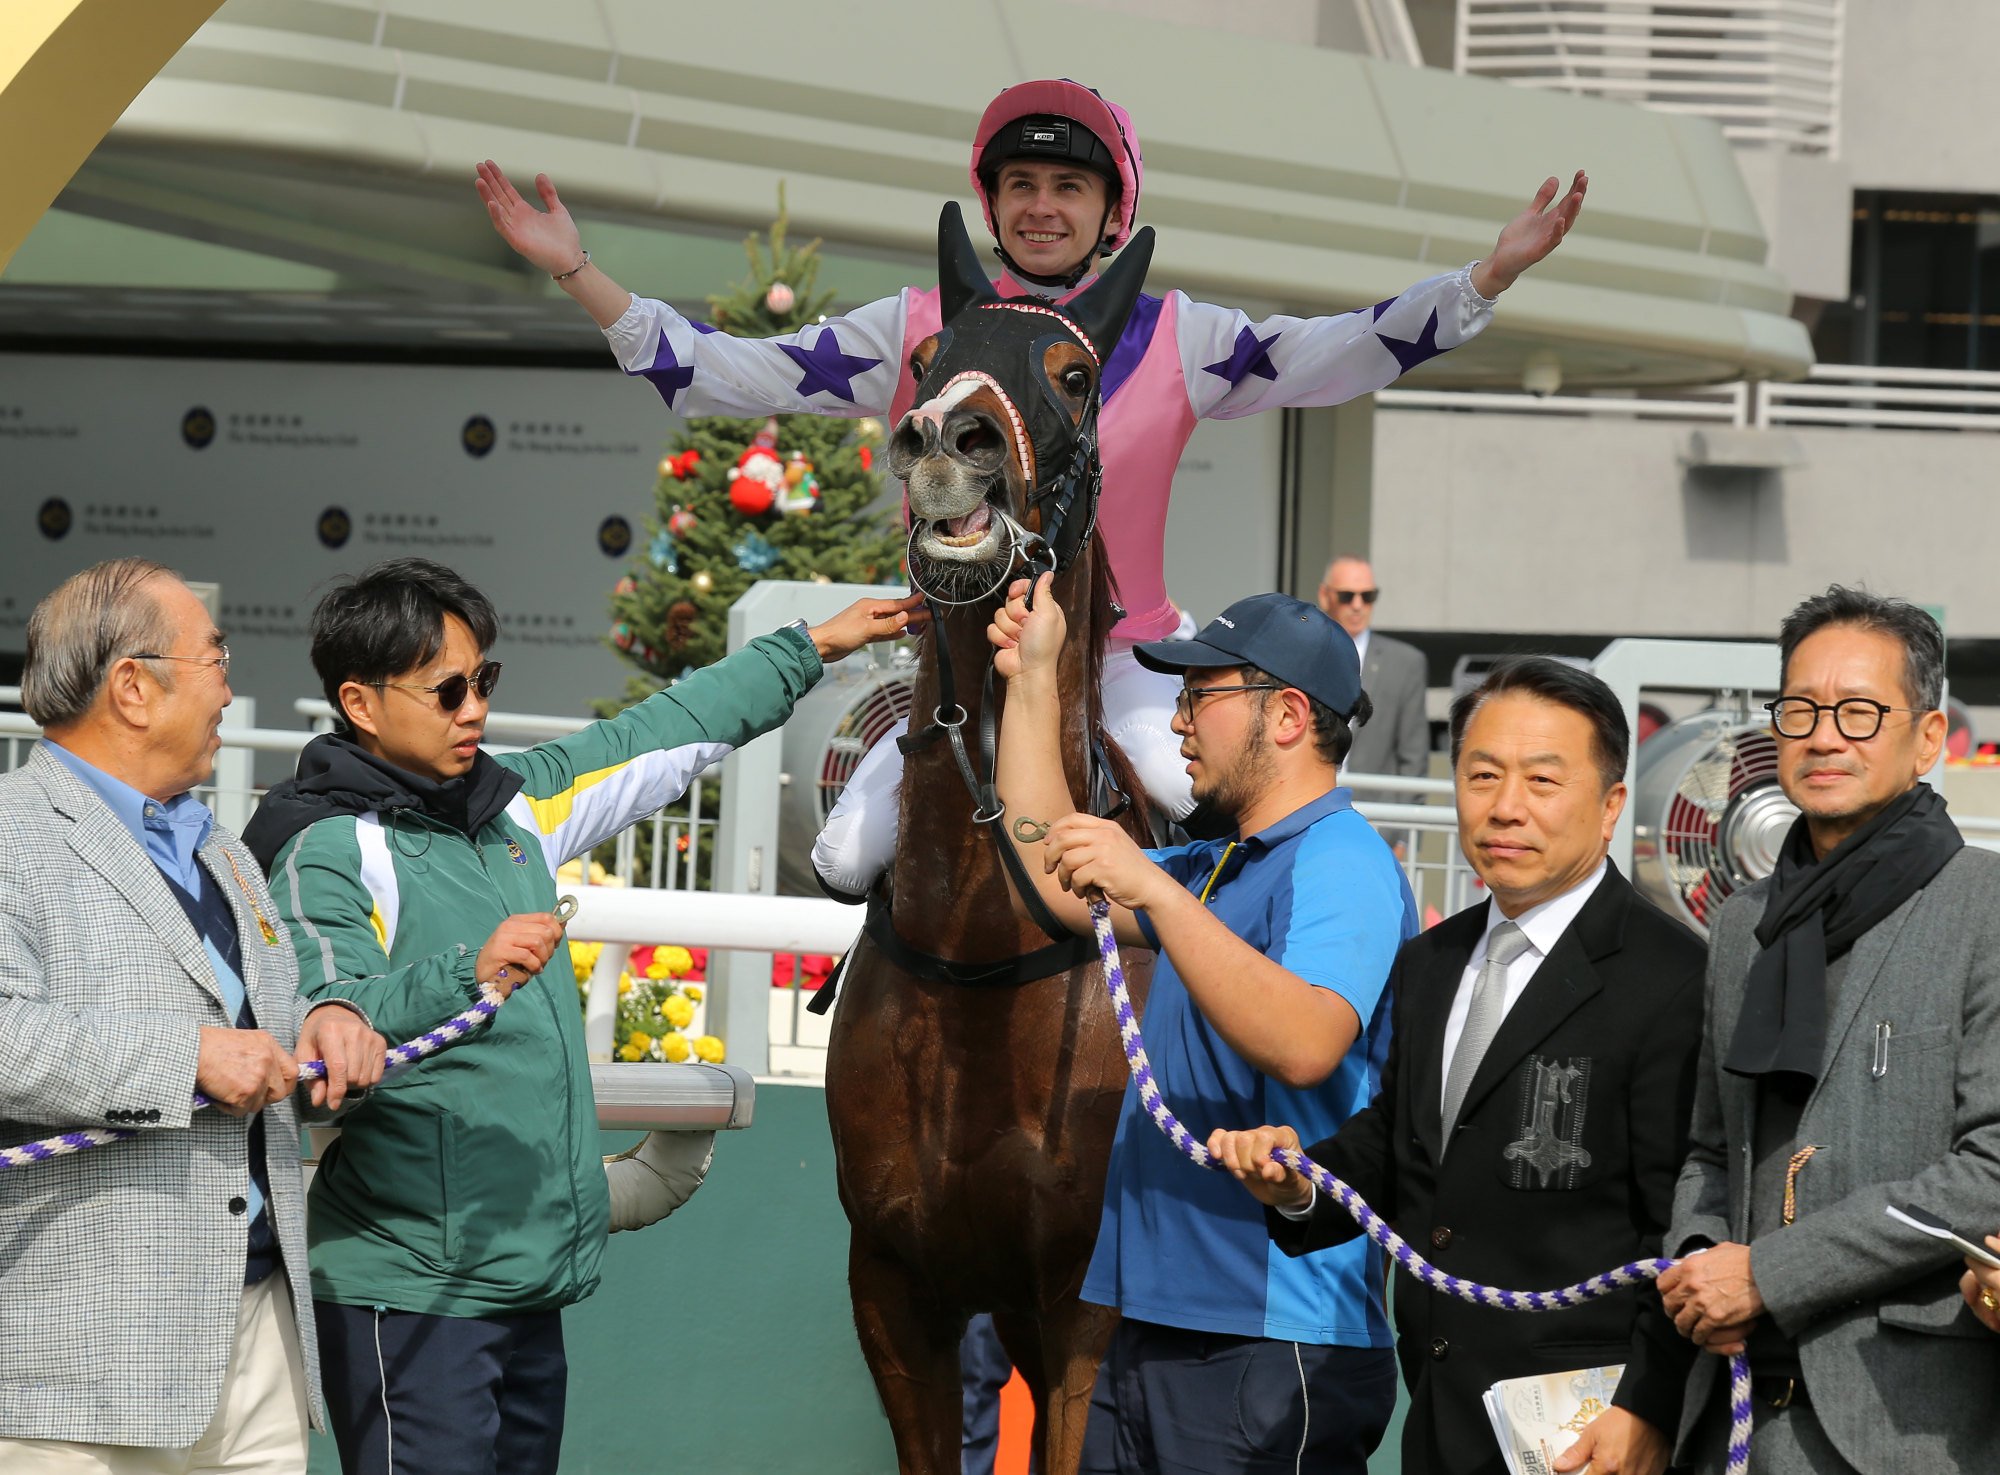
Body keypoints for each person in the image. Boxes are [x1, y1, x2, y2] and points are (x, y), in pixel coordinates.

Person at [477, 77, 1587, 900]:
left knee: (1204, 810)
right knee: (847, 852)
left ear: (1114, 207)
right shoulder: (917, 327)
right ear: (988, 198)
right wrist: (579, 271)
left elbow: (1344, 351)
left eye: (1068, 185)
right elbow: (724, 371)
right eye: (1020, 185)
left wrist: (1483, 279)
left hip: (1129, 661)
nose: (1041, 206)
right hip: (963, 659)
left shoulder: (1178, 332)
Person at [241, 557, 920, 1475]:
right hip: (410, 1289)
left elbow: (665, 730)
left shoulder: (510, 803)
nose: (473, 708)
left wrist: (819, 645)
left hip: (526, 1282)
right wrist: (461, 973)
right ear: (359, 703)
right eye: (447, 689)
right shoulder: (323, 845)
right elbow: (330, 1013)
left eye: (485, 680)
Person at [1210, 657, 1705, 1475]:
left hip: (1587, 1429)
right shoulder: (1433, 959)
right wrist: (1303, 1184)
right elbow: (1403, 1143)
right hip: (1440, 1413)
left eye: (1543, 780)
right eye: (1482, 775)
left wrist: (1649, 1404)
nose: (1506, 806)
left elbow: (1685, 1219)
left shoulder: (1671, 979)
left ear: (1611, 804)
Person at [987, 576, 1411, 1474]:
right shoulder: (1216, 865)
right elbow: (1046, 867)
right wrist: (1031, 681)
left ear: (1288, 714)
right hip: (1158, 1323)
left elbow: (1307, 1040)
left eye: (1199, 695)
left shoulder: (1342, 856)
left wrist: (1154, 891)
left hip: (1274, 1338)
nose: (1178, 720)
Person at [0, 559, 385, 1471]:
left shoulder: (221, 845)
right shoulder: (12, 829)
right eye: (215, 657)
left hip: (258, 1336)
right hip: (79, 1364)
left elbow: (264, 1034)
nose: (229, 686)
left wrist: (327, 1022)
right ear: (133, 685)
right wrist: (187, 1058)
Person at [1659, 585, 2000, 1473]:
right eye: (1800, 708)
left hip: (1904, 1416)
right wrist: (1699, 1262)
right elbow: (1709, 1146)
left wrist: (1772, 1273)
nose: (1822, 734)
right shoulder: (1744, 921)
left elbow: (1991, 1166)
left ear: (1928, 737)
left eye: (1859, 710)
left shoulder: (1984, 906)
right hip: (1730, 1403)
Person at [1319, 554, 1429, 784]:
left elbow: (1414, 756)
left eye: (1368, 596)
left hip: (1378, 810)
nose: (1358, 606)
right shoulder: (1305, 653)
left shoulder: (1405, 663)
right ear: (1325, 595)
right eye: (1347, 596)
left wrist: (1403, 817)